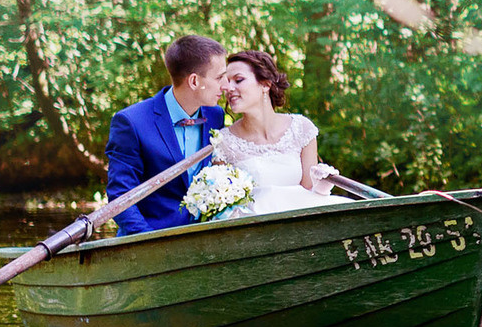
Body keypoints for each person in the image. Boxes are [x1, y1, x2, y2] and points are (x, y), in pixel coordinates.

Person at [104, 35, 228, 234]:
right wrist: (150, 243)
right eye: (219, 77)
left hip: (206, 239)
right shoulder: (131, 122)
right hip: (150, 240)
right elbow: (121, 196)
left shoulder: (215, 116)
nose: (226, 85)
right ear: (194, 81)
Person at [211, 48, 340, 216]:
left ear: (265, 84)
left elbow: (310, 193)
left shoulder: (301, 128)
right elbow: (224, 210)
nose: (229, 88)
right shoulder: (223, 143)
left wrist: (322, 186)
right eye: (227, 82)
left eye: (238, 80)